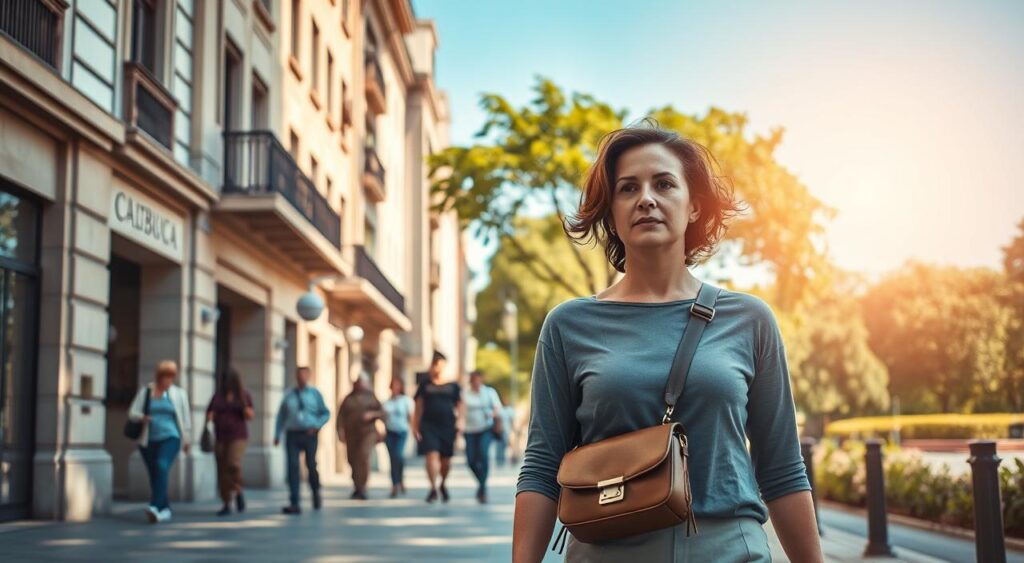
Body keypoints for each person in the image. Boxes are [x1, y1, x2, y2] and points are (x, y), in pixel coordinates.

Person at [513, 124, 823, 562]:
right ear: (612, 212)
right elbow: (543, 467)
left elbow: (782, 470)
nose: (646, 198)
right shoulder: (569, 325)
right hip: (607, 553)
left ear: (694, 207)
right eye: (627, 188)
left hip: (729, 551)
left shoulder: (750, 319)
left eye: (664, 184)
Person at [127, 360, 192, 523]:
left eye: (171, 377)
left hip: (171, 437)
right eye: (165, 376)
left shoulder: (179, 394)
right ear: (159, 376)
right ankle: (164, 509)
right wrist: (143, 417)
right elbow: (132, 412)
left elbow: (185, 419)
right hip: (148, 440)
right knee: (155, 475)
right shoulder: (146, 392)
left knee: (161, 465)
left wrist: (187, 440)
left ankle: (155, 505)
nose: (168, 380)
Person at [274, 366, 331, 514]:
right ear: (296, 376)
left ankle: (315, 490)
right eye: (299, 375)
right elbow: (281, 415)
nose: (302, 378)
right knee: (293, 466)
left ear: (309, 376)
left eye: (305, 375)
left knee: (311, 465)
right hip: (292, 434)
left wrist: (316, 426)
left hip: (309, 434)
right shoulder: (289, 394)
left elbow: (325, 413)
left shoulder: (315, 394)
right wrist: (277, 434)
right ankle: (294, 502)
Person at [412, 350, 461, 503]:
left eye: (439, 365)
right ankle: (433, 487)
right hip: (428, 425)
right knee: (431, 455)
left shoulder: (453, 385)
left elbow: (460, 404)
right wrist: (415, 426)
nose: (436, 368)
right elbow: (418, 406)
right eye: (434, 365)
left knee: (446, 460)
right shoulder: (424, 384)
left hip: (447, 425)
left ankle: (443, 484)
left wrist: (461, 421)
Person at [206, 368, 254, 516]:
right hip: (220, 436)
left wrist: (244, 407)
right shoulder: (218, 396)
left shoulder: (243, 395)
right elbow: (210, 412)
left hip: (238, 436)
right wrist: (211, 417)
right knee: (222, 470)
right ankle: (227, 501)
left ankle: (238, 490)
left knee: (233, 464)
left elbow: (250, 415)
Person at [337, 373, 385, 500]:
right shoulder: (348, 398)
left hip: (368, 433)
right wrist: (340, 431)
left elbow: (383, 413)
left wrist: (372, 415)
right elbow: (340, 416)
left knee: (363, 457)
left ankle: (363, 487)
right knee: (352, 460)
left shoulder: (371, 397)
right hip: (351, 434)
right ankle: (357, 486)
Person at [462, 370, 503, 503]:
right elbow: (460, 409)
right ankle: (481, 483)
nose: (476, 382)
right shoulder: (465, 393)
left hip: (485, 429)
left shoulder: (489, 392)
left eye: (478, 379)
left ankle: (482, 488)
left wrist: (491, 413)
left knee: (483, 454)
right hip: (469, 430)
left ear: (481, 380)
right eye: (473, 380)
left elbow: (498, 408)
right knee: (471, 460)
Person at [381, 376, 415, 497]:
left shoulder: (406, 400)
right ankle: (395, 484)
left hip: (402, 432)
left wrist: (414, 431)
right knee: (392, 459)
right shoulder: (386, 403)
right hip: (389, 433)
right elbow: (383, 419)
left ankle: (400, 480)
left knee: (398, 456)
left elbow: (410, 417)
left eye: (397, 385)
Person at [493, 402, 515, 467]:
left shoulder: (510, 410)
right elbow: (497, 420)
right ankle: (499, 460)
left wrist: (513, 429)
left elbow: (512, 420)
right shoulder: (500, 410)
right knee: (499, 446)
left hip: (507, 430)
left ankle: (502, 460)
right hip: (500, 430)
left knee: (504, 445)